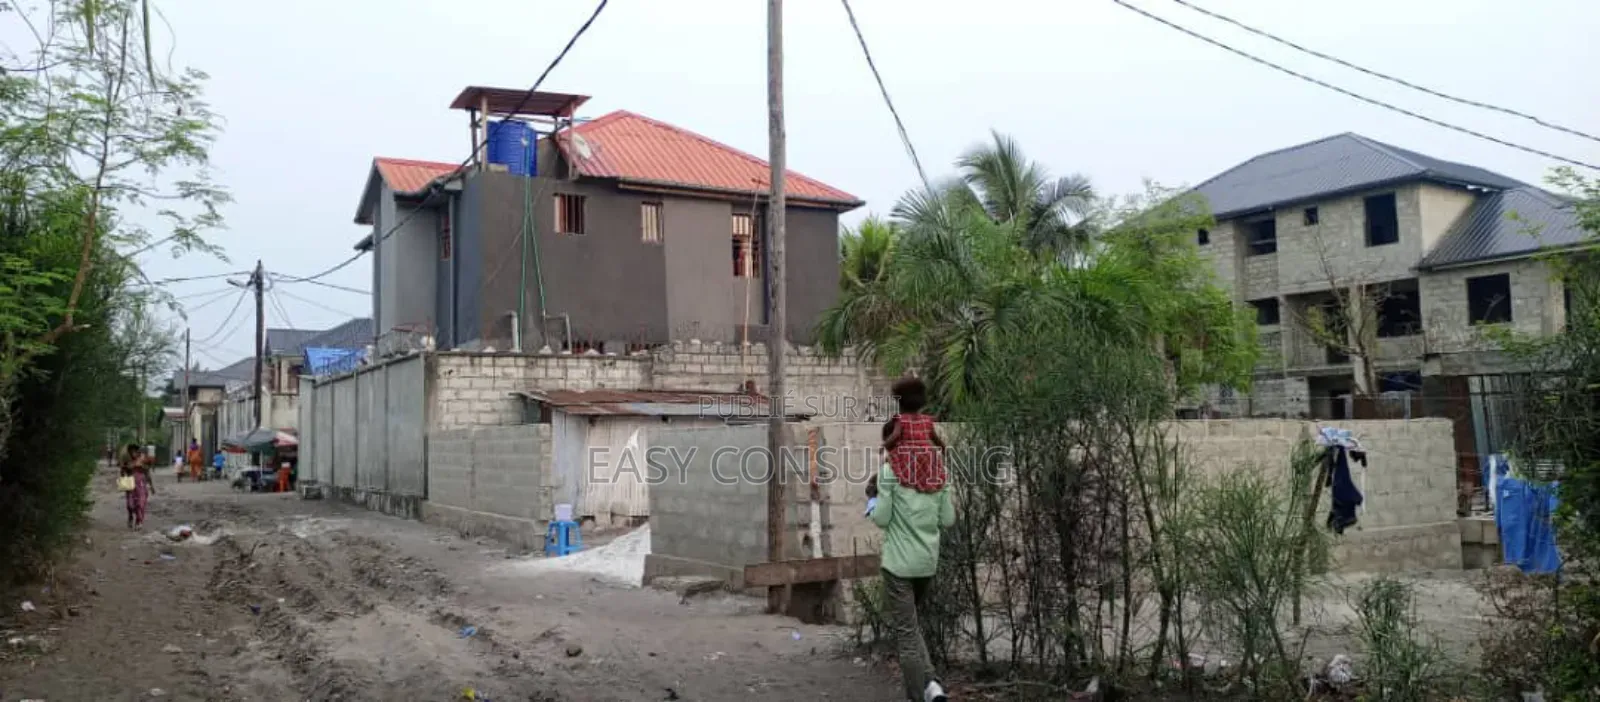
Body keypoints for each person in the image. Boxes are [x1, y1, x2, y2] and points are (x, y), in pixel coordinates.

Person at [870, 378, 952, 702]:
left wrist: (875, 499)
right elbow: (947, 519)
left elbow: (881, 519)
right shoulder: (939, 471)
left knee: (906, 634)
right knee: (911, 626)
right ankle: (932, 687)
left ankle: (918, 695)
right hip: (927, 563)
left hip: (898, 566)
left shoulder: (891, 471)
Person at [120, 443, 155, 530]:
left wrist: (151, 486)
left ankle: (139, 522)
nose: (134, 453)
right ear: (129, 453)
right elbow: (122, 473)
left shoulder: (143, 461)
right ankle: (130, 516)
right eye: (132, 452)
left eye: (135, 451)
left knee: (140, 504)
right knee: (130, 505)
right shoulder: (127, 463)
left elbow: (147, 474)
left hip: (141, 486)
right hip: (131, 485)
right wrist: (125, 471)